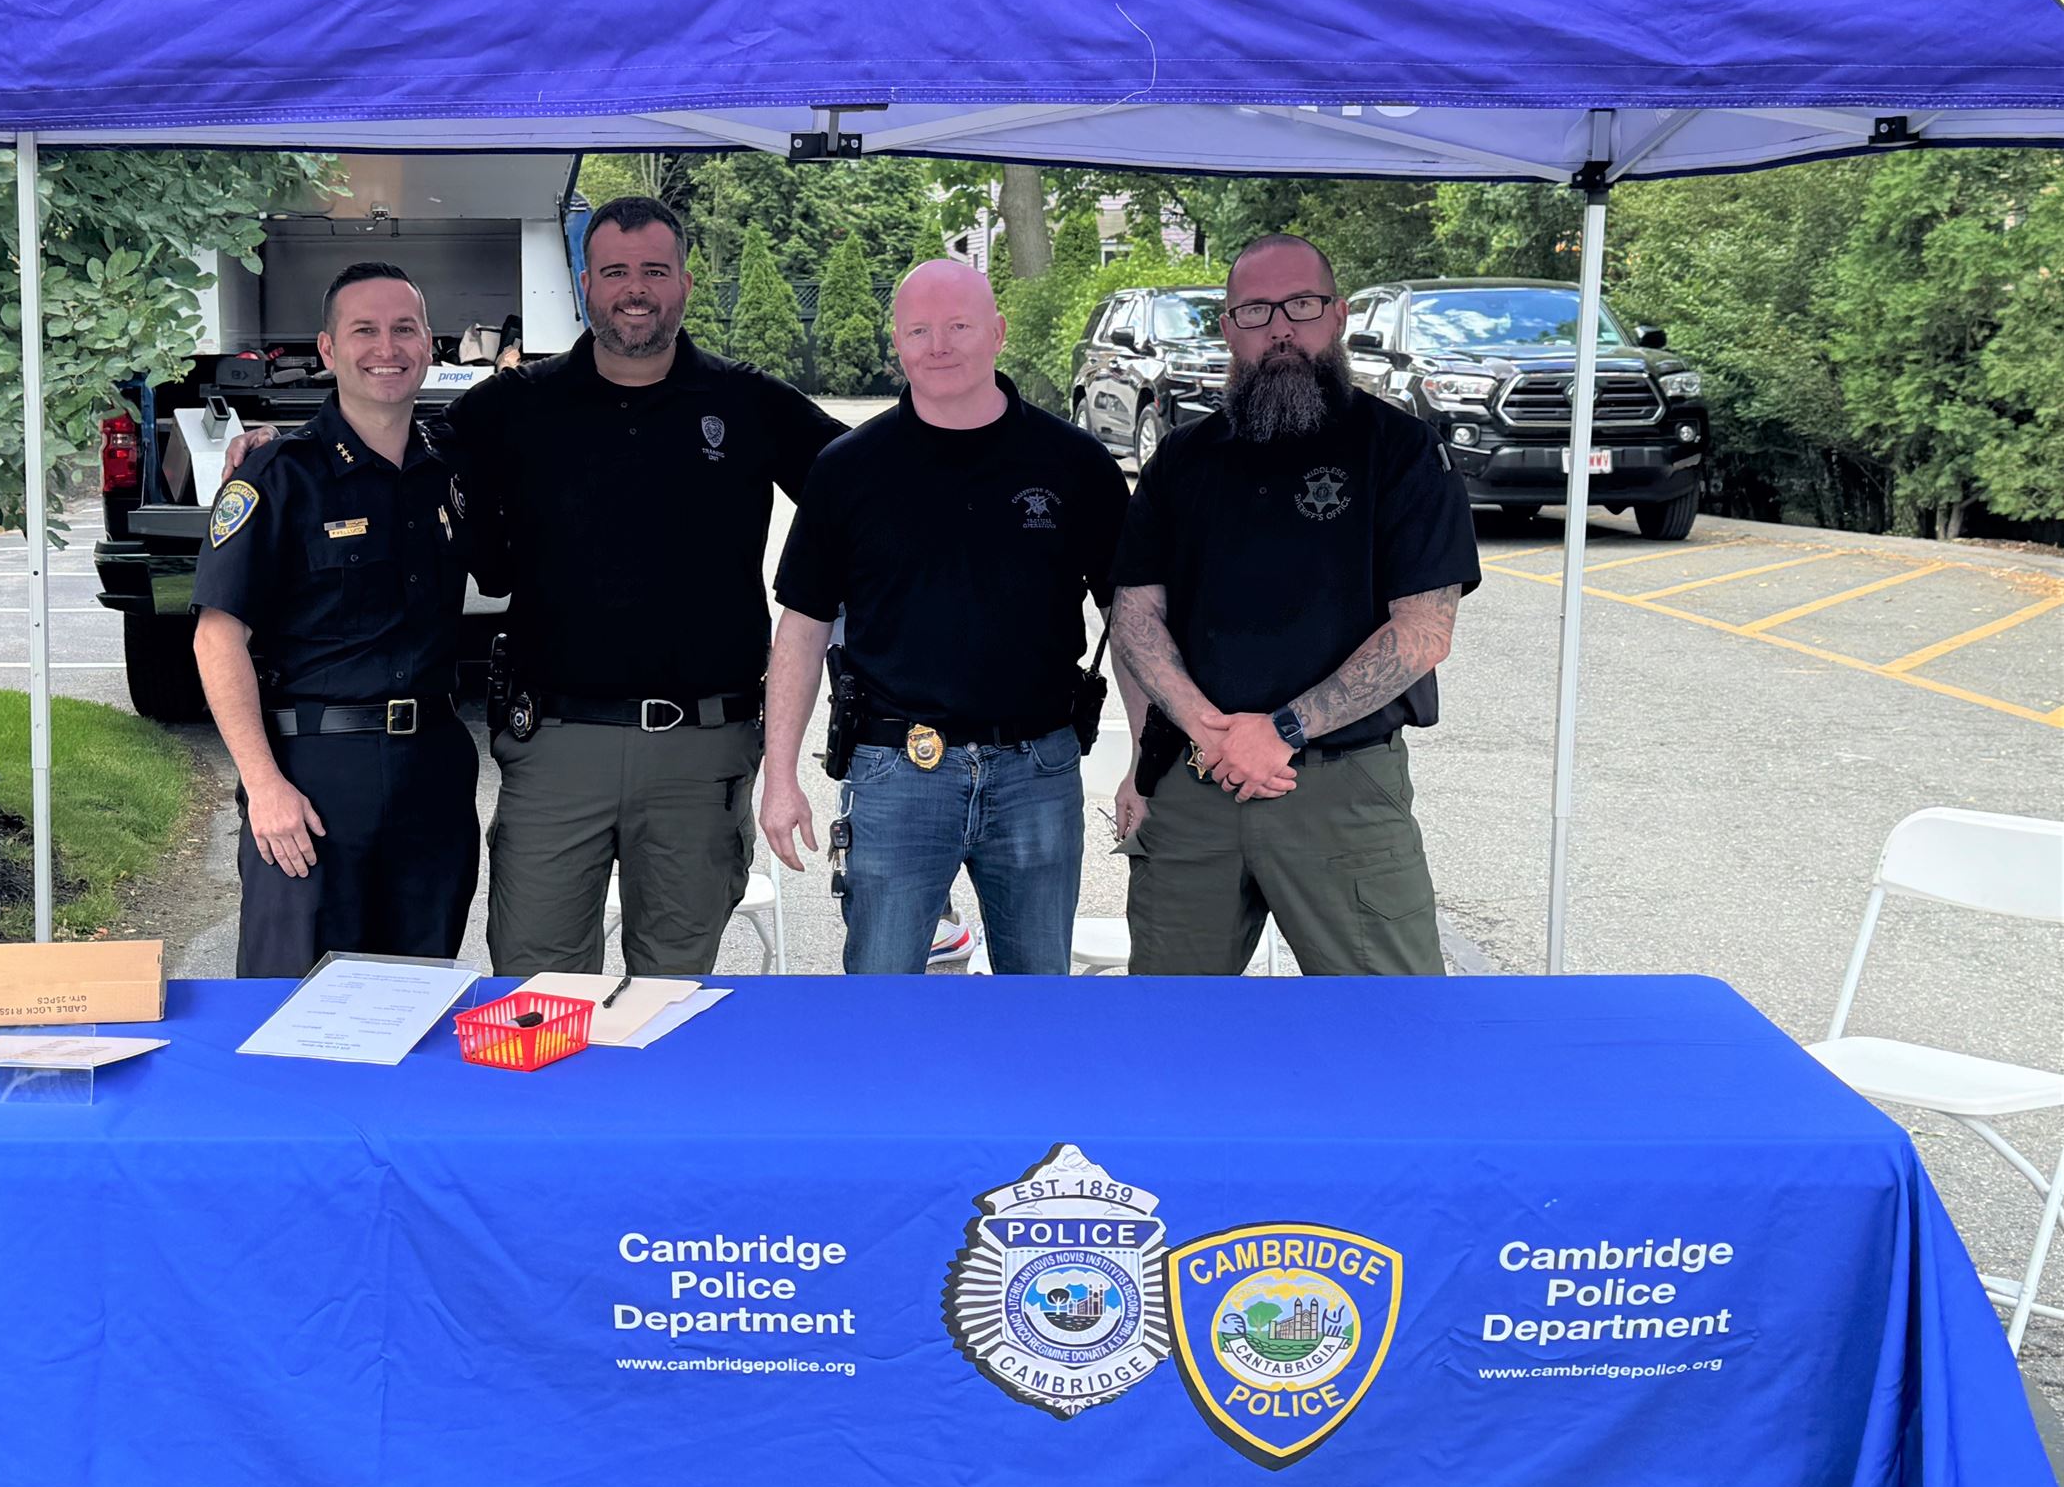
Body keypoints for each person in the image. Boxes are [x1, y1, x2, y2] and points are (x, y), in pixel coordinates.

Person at [452, 196, 841, 976]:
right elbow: (388, 446)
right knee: (536, 994)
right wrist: (272, 446)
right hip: (554, 748)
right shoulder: (515, 405)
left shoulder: (745, 401)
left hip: (698, 753)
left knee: (670, 998)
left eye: (655, 271)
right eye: (617, 272)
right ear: (586, 284)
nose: (636, 289)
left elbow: (867, 487)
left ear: (685, 284)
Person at [1108, 233, 1481, 976]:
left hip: (1341, 793)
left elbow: (1423, 633)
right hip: (1194, 781)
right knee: (1169, 1039)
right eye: (1254, 310)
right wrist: (1200, 735)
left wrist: (1282, 729)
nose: (1280, 327)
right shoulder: (1182, 459)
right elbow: (1135, 617)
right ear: (1227, 327)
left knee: (1389, 1034)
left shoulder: (1401, 451)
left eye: (1301, 305)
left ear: (1337, 314)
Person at [758, 260, 1134, 975]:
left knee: (1035, 1008)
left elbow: (1132, 622)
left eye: (959, 325)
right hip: (894, 774)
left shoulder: (1074, 464)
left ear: (997, 332)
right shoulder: (846, 470)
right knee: (880, 1006)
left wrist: (1144, 764)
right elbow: (801, 634)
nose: (939, 344)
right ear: (896, 342)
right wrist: (780, 778)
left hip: (1036, 772)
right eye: (919, 329)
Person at [192, 261, 478, 977]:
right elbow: (217, 636)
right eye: (365, 330)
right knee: (295, 1005)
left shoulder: (451, 469)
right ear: (326, 350)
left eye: (404, 328)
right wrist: (264, 785)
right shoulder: (278, 474)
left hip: (432, 775)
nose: (388, 346)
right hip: (314, 782)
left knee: (416, 1001)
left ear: (429, 344)